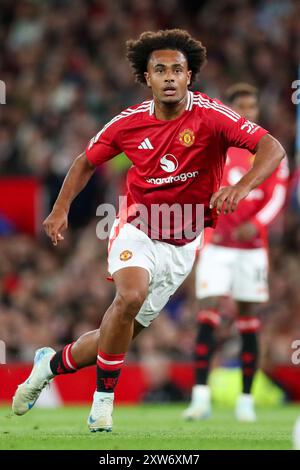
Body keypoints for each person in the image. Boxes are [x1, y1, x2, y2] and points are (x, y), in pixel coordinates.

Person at [12, 30, 285, 432]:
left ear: (190, 76)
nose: (170, 77)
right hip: (137, 227)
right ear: (147, 77)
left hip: (183, 244)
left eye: (178, 69)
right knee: (130, 295)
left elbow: (272, 148)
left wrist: (241, 187)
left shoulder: (212, 115)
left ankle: (48, 365)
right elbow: (85, 162)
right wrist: (59, 209)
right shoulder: (128, 122)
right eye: (160, 70)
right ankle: (103, 403)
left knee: (115, 335)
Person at [183, 83, 289, 422]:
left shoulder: (270, 150)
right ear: (230, 112)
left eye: (252, 108)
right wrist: (205, 234)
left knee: (249, 320)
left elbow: (277, 196)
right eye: (240, 107)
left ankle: (246, 399)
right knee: (207, 314)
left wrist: (256, 225)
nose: (247, 113)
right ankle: (200, 397)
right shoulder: (216, 147)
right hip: (217, 246)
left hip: (252, 250)